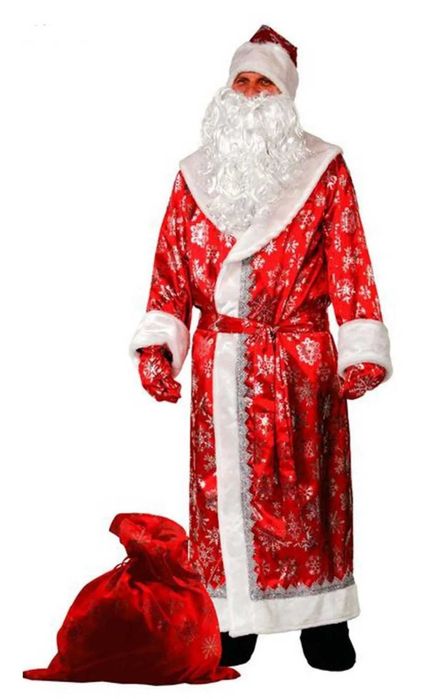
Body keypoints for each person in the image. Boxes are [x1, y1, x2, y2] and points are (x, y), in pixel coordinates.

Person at [129, 25, 392, 672]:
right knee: (220, 495)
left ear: (285, 97)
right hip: (221, 366)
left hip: (299, 361)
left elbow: (349, 261)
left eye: (264, 83)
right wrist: (160, 344)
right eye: (241, 81)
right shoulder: (194, 176)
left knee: (308, 494)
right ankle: (232, 615)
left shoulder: (322, 170)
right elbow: (170, 272)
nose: (250, 94)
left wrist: (360, 346)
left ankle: (322, 619)